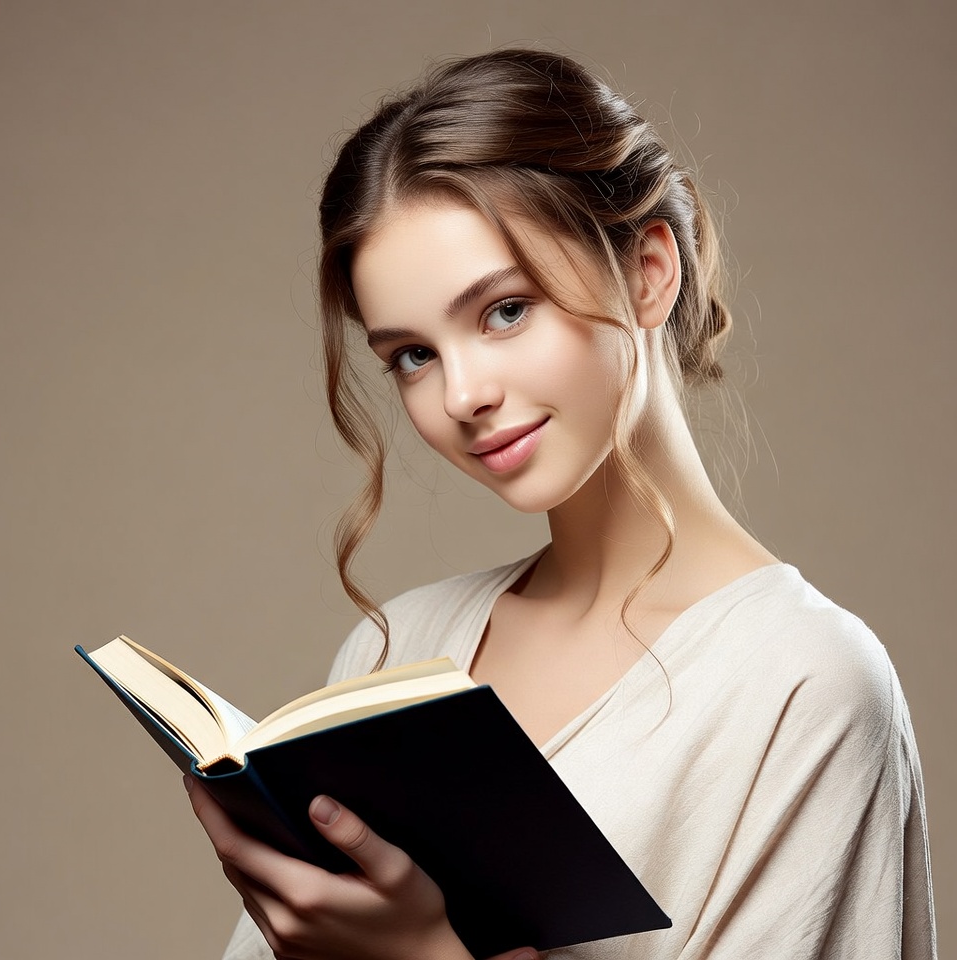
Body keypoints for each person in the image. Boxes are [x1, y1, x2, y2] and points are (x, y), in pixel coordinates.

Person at [185, 49, 937, 959]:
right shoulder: (397, 650)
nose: (461, 394)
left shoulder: (805, 685)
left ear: (652, 270)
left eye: (504, 310)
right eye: (412, 355)